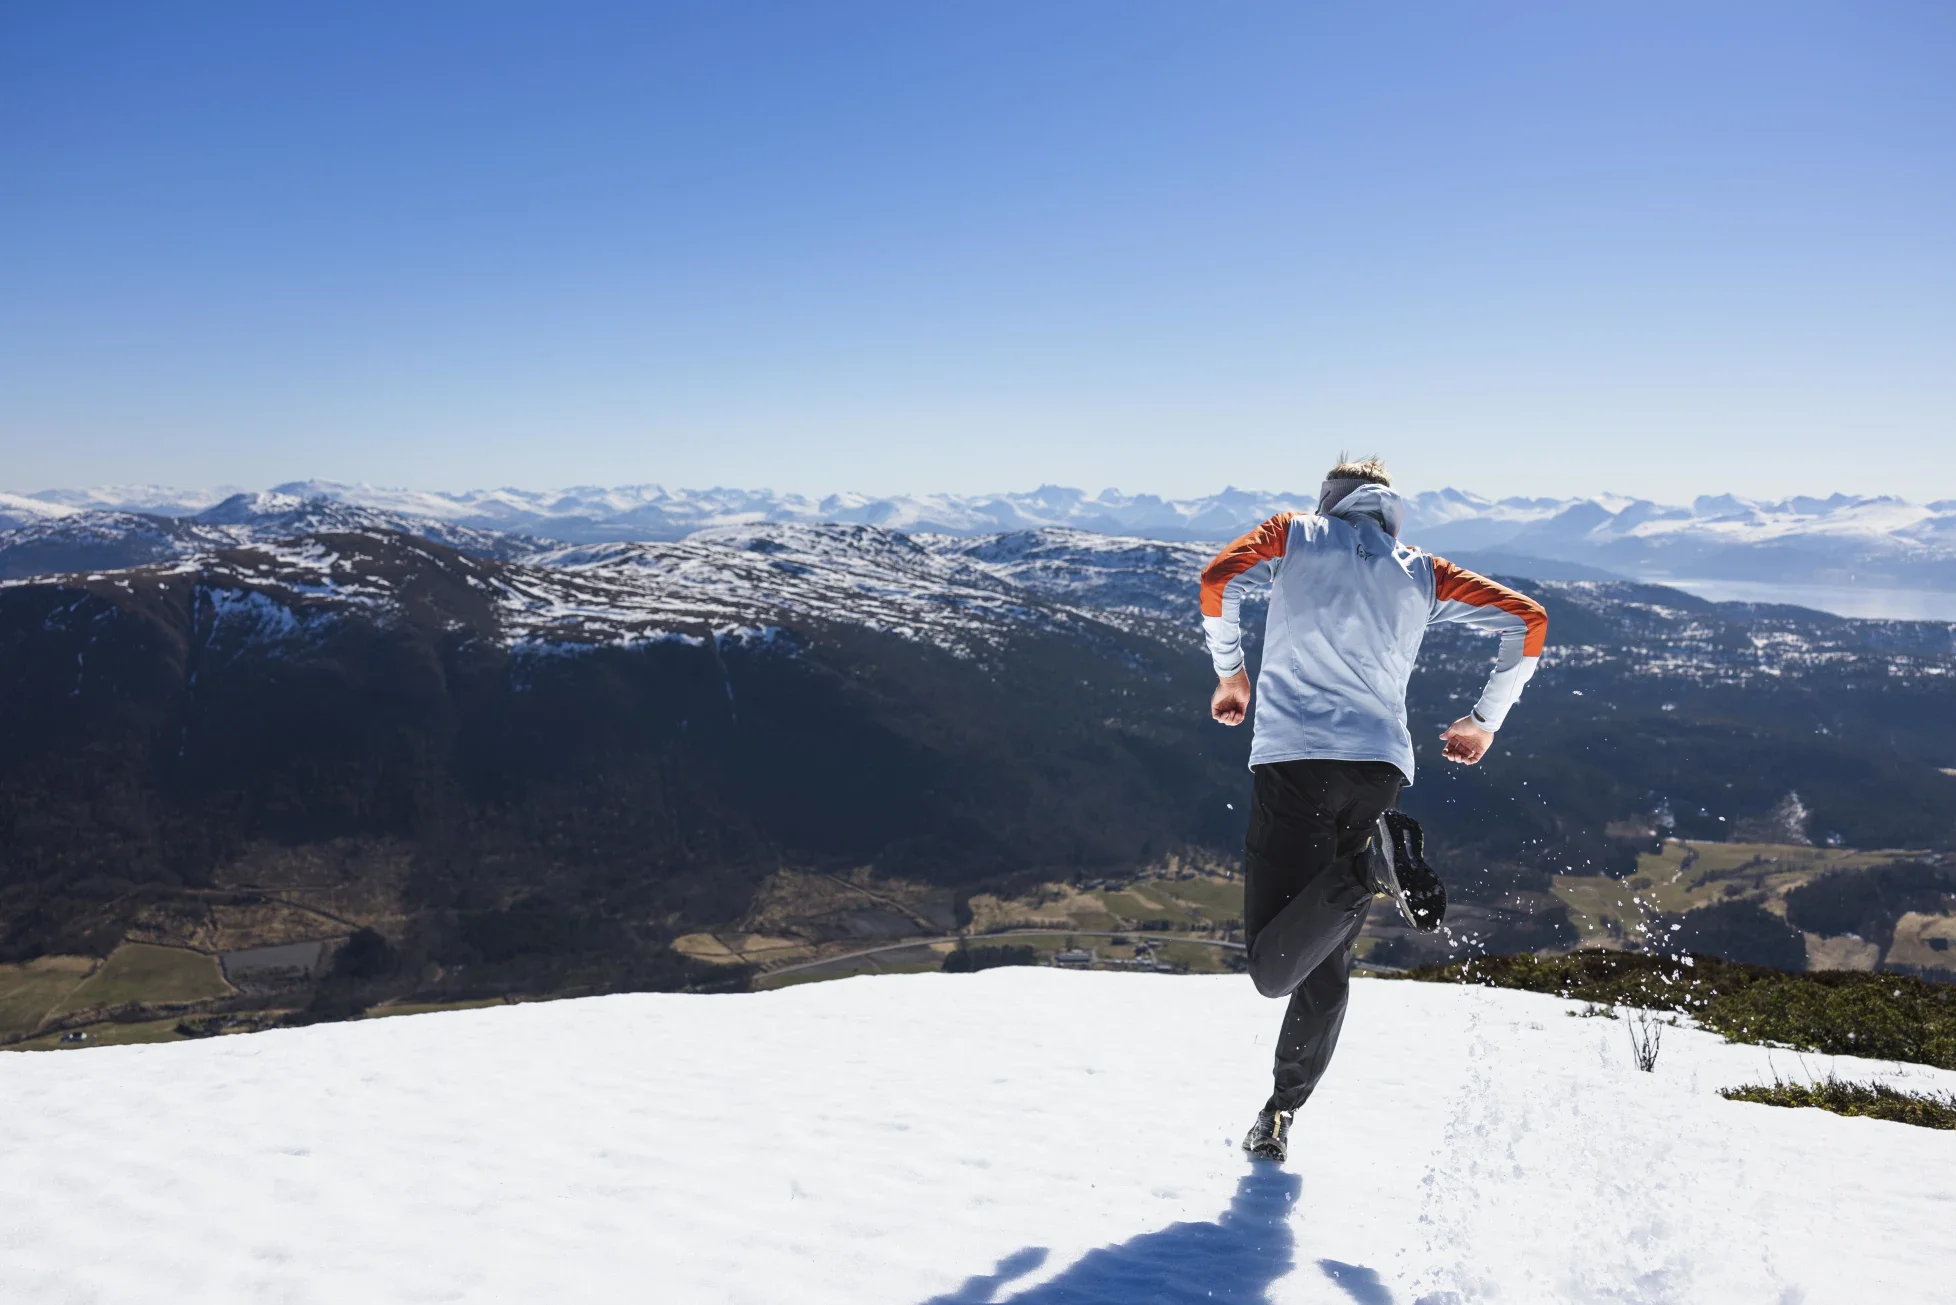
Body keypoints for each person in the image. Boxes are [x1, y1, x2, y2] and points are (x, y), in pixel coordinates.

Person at [1199, 458, 1548, 1162]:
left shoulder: (1292, 533)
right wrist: (1484, 720)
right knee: (1322, 959)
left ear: (1329, 497)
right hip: (1380, 775)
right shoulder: (1422, 568)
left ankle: (1368, 870)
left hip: (1295, 763)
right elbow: (1529, 619)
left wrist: (1230, 669)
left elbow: (1216, 579)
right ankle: (1279, 1113)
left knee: (1276, 968)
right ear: (1390, 510)